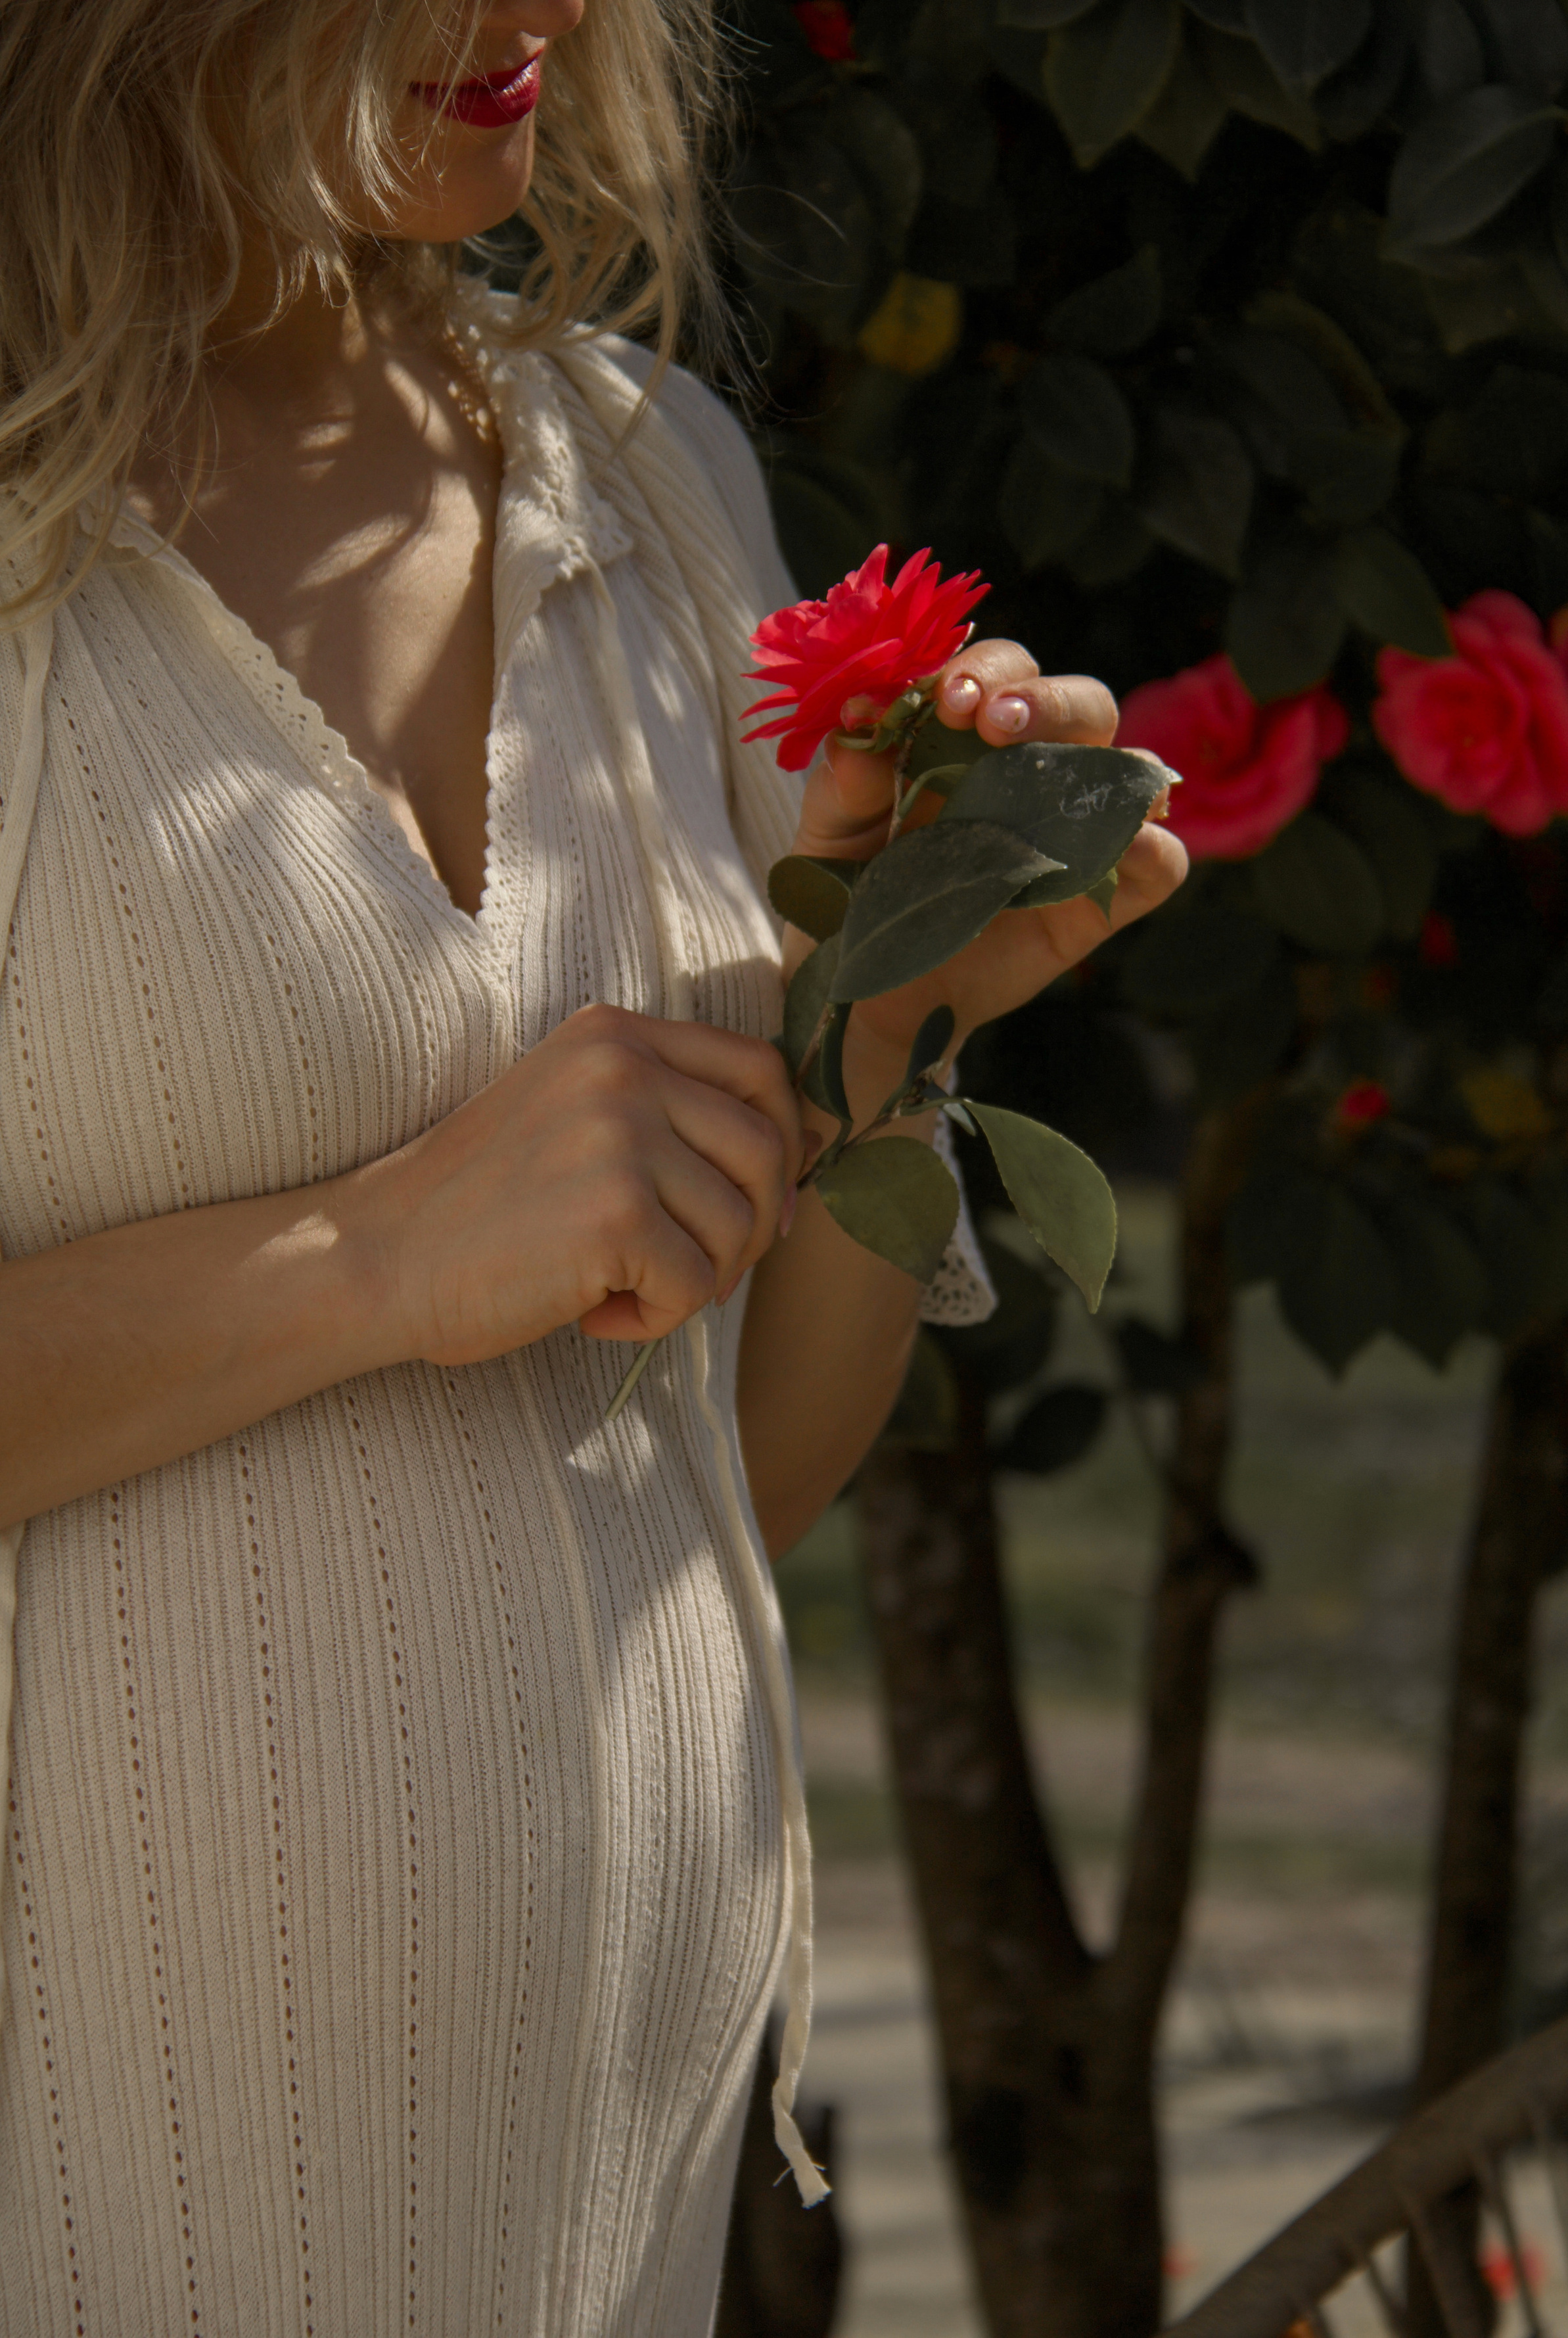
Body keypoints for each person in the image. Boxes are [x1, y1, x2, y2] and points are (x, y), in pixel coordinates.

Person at [0, 0, 1188, 2327]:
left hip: (588, 2213)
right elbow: (427, 1266)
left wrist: (887, 1008)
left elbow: (731, 1475)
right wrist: (375, 1253)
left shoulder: (648, 482)